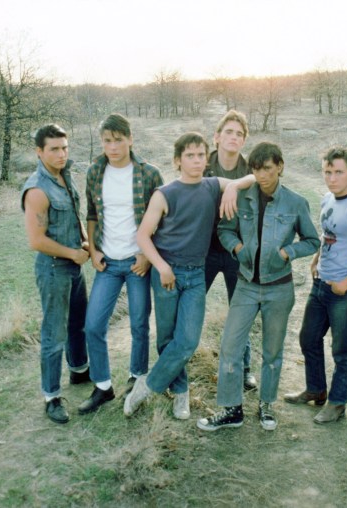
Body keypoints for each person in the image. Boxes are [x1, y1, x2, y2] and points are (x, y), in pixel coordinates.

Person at [124, 132, 255, 420]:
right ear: (178, 160)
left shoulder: (210, 187)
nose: (196, 161)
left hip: (196, 275)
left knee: (187, 340)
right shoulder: (165, 193)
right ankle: (181, 393)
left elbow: (254, 179)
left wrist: (232, 187)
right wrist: (161, 266)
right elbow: (143, 236)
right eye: (189, 156)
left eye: (200, 155)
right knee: (167, 338)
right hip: (167, 274)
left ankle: (147, 385)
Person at [196, 142, 320, 432]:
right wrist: (238, 248)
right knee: (230, 346)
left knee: (273, 351)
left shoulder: (296, 202)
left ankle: (266, 405)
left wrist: (288, 252)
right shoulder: (242, 197)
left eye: (267, 168)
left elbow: (313, 240)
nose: (262, 174)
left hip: (279, 288)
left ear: (279, 166)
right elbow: (225, 230)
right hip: (246, 285)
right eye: (256, 169)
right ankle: (231, 409)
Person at [283, 147, 347, 424]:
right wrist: (316, 259)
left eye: (339, 172)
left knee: (342, 350)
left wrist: (346, 284)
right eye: (328, 171)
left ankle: (337, 404)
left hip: (345, 291)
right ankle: (315, 389)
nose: (332, 178)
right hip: (321, 284)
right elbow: (330, 234)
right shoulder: (328, 198)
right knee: (308, 338)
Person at [77, 114, 163, 416]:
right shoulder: (94, 172)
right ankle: (102, 386)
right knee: (93, 325)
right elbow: (91, 214)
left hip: (137, 262)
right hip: (108, 263)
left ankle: (137, 377)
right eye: (107, 141)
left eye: (118, 139)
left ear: (130, 139)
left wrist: (145, 256)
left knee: (140, 324)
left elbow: (161, 219)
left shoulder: (148, 173)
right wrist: (93, 249)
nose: (112, 146)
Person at [21, 124, 90, 424]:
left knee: (79, 323)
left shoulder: (66, 175)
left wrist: (85, 242)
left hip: (74, 265)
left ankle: (78, 370)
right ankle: (51, 396)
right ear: (39, 152)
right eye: (54, 149)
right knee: (54, 333)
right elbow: (36, 240)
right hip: (54, 268)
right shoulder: (37, 189)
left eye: (64, 147)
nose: (61, 154)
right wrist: (73, 253)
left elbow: (73, 216)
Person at [203, 110, 257, 391]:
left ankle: (244, 368)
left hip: (237, 249)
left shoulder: (251, 169)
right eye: (229, 132)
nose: (234, 137)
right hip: (204, 249)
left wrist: (237, 184)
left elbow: (260, 185)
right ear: (217, 137)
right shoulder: (203, 164)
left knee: (241, 310)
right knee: (189, 304)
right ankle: (178, 361)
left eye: (239, 134)